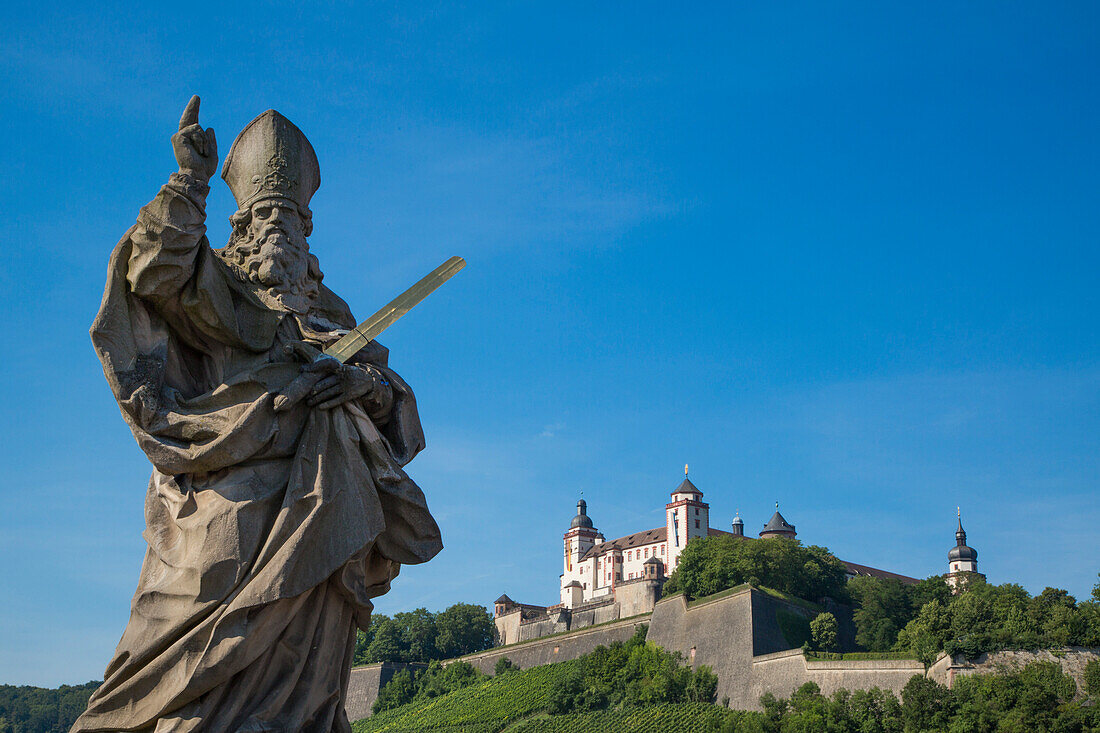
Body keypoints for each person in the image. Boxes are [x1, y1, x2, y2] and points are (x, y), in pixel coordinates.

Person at [73, 96, 442, 732]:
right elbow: (155, 272)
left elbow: (390, 397)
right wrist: (189, 182)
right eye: (264, 218)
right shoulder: (219, 289)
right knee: (189, 650)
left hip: (326, 505)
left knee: (306, 675)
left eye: (290, 221)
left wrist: (362, 386)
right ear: (241, 228)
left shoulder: (331, 310)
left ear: (308, 235)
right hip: (227, 498)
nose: (279, 231)